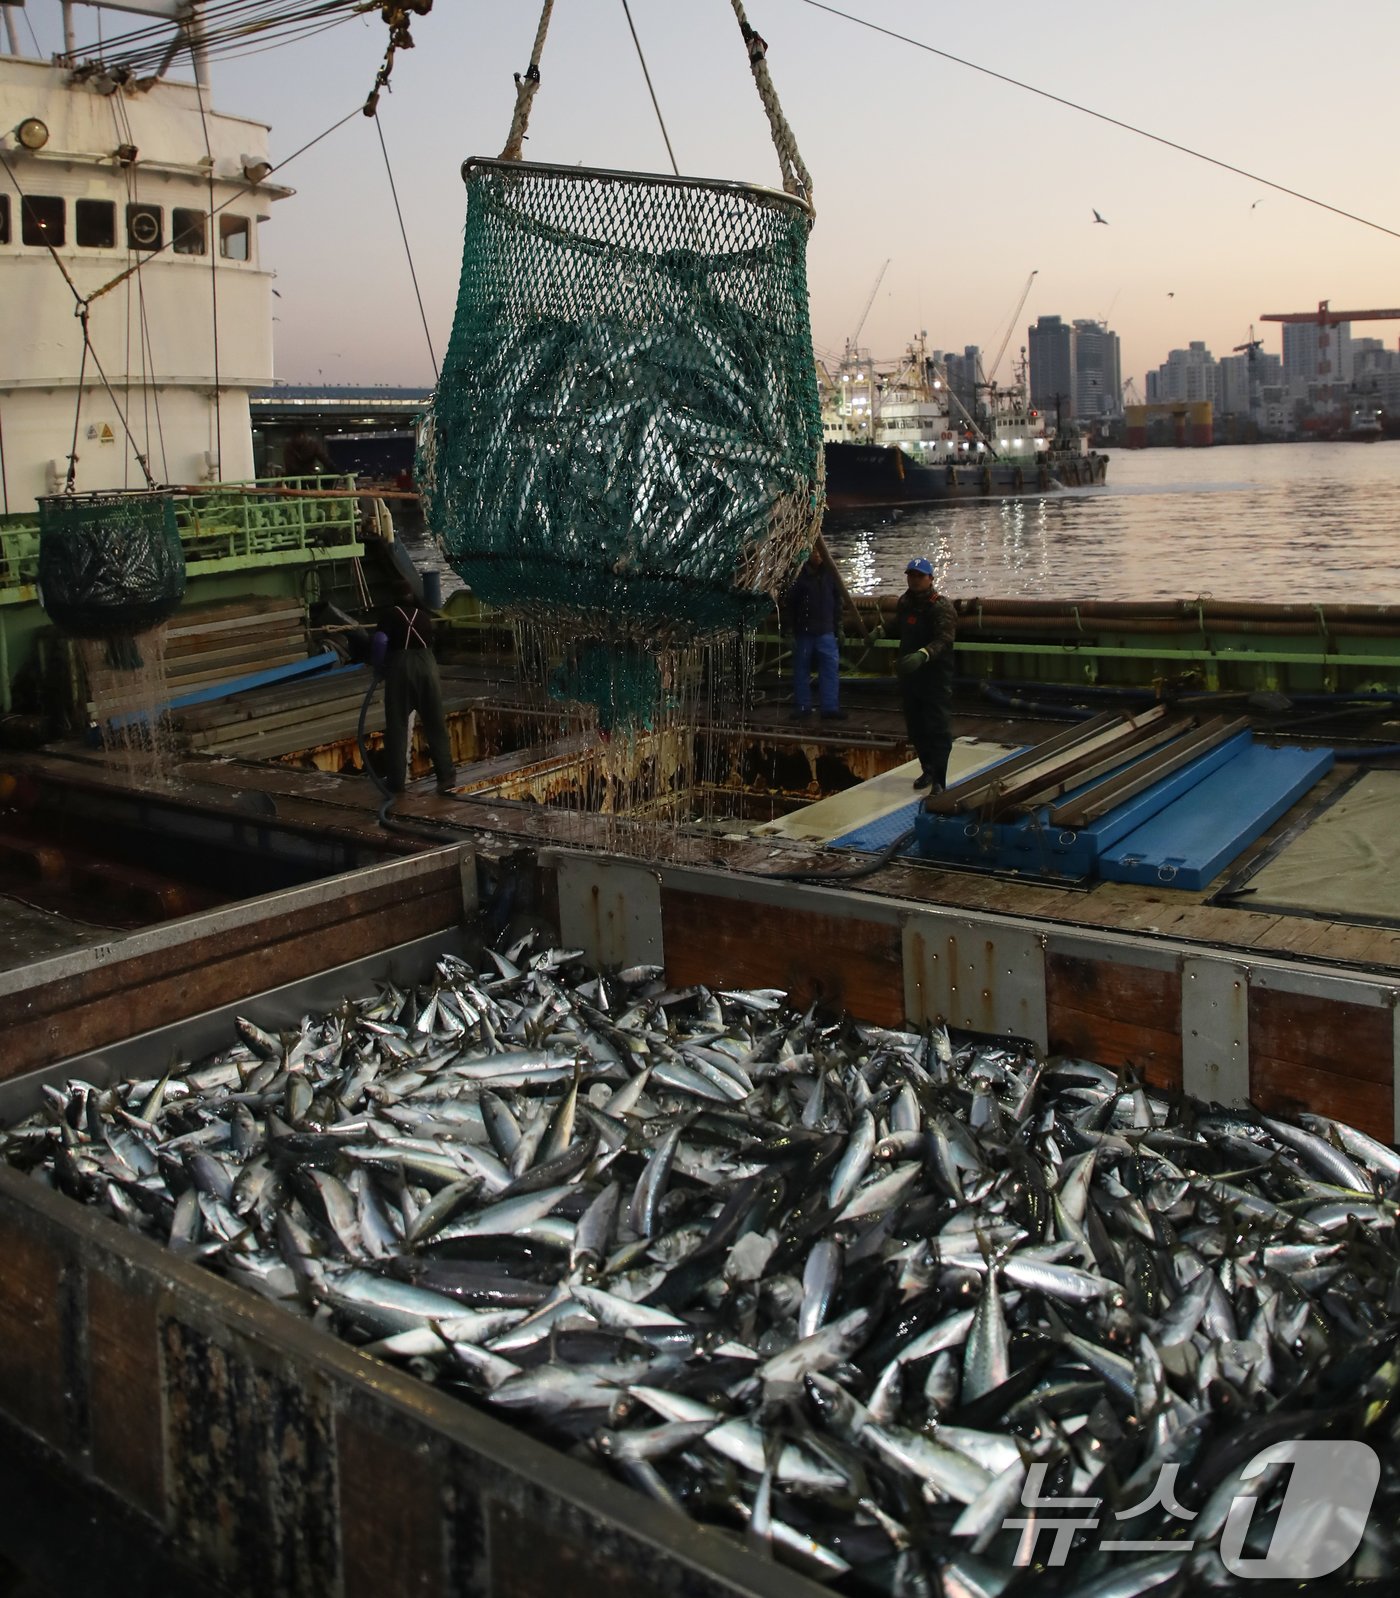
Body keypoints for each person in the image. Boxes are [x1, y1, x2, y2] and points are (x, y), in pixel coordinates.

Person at [371, 584, 456, 795]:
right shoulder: (424, 616)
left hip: (401, 669)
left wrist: (378, 666)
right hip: (428, 667)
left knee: (398, 726)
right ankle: (446, 776)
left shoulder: (390, 616)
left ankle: (396, 781)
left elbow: (380, 640)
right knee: (435, 723)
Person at [894, 556, 956, 790]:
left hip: (935, 678)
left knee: (937, 729)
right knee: (916, 727)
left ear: (930, 578)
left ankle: (939, 781)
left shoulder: (940, 606)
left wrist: (923, 654)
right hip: (911, 678)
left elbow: (945, 638)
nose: (915, 580)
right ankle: (927, 769)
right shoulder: (905, 603)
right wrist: (879, 630)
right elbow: (897, 624)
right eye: (911, 575)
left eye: (920, 576)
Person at [783, 542, 846, 720]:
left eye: (819, 552)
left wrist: (838, 627)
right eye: (813, 552)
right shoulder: (797, 576)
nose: (817, 555)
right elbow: (790, 605)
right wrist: (789, 631)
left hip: (826, 630)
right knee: (802, 670)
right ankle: (803, 707)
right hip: (804, 631)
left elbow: (837, 603)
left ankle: (830, 707)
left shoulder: (830, 574)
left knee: (830, 670)